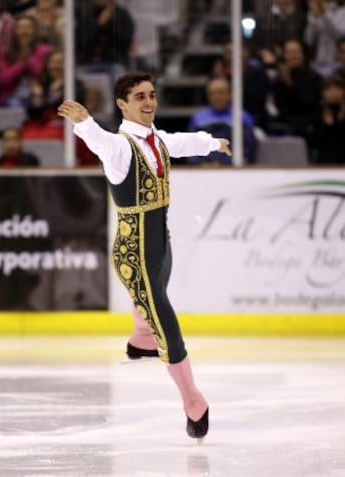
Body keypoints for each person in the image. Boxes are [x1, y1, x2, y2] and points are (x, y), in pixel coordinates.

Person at [58, 70, 231, 439]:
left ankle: (140, 341)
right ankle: (192, 399)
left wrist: (213, 143)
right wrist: (85, 122)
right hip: (134, 255)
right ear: (122, 104)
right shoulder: (119, 148)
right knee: (165, 321)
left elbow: (181, 143)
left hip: (161, 247)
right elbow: (100, 142)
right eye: (139, 97)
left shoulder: (158, 140)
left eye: (151, 94)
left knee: (153, 300)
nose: (149, 102)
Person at [188, 77, 256, 164]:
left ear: (229, 94)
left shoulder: (242, 117)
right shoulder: (198, 119)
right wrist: (201, 163)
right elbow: (190, 148)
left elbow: (248, 150)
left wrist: (225, 163)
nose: (216, 97)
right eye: (212, 93)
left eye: (221, 92)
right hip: (203, 169)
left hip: (232, 168)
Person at [272, 40, 322, 142]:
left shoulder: (314, 77)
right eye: (289, 53)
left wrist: (290, 84)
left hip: (308, 123)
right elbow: (278, 104)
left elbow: (308, 104)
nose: (293, 56)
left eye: (296, 52)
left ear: (303, 54)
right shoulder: (279, 78)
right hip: (284, 123)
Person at [0, 14, 51, 106]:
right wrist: (20, 64)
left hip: (39, 95)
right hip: (12, 97)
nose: (24, 31)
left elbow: (45, 75)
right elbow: (3, 80)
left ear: (34, 31)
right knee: (14, 104)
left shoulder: (45, 50)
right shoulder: (5, 53)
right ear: (14, 31)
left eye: (28, 28)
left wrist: (28, 59)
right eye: (20, 28)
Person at [75, 0, 135, 83]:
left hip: (114, 62)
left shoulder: (122, 15)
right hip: (88, 63)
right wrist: (99, 25)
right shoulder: (84, 14)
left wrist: (109, 23)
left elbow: (124, 43)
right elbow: (81, 43)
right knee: (77, 80)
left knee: (120, 77)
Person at [304, 0, 345, 75]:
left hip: (338, 63)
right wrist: (313, 18)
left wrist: (323, 15)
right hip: (319, 62)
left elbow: (338, 37)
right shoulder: (317, 9)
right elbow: (309, 40)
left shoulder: (342, 12)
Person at [312, 74, 345, 164]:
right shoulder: (317, 112)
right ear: (323, 93)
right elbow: (314, 142)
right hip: (325, 162)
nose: (333, 92)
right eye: (329, 89)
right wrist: (327, 126)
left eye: (337, 88)